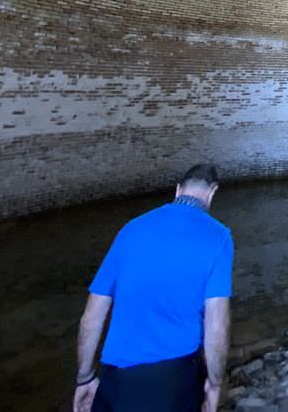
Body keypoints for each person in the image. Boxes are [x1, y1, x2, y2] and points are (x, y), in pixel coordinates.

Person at [72, 163, 233, 412]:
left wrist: (85, 377)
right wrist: (215, 383)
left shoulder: (130, 229)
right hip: (174, 381)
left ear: (178, 190)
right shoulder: (219, 237)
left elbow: (92, 316)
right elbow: (216, 325)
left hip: (117, 379)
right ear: (212, 193)